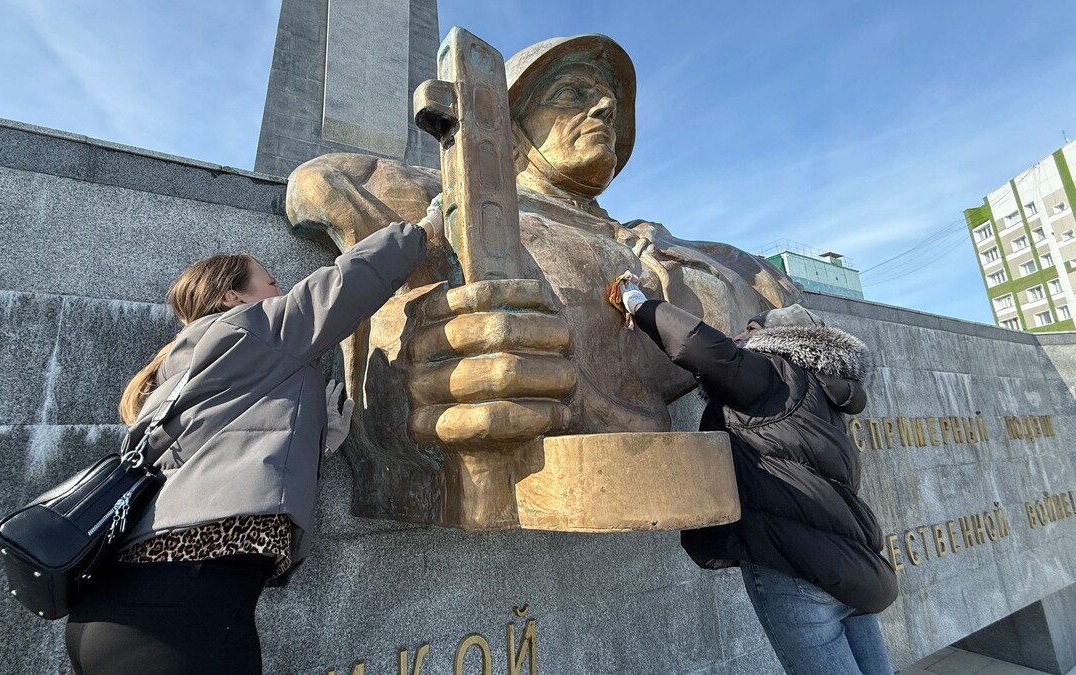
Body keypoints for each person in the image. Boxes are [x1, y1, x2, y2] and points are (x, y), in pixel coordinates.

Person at [284, 34, 801, 529]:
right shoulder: (447, 205)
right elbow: (319, 186)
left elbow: (771, 295)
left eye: (609, 105)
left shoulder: (683, 251)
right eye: (572, 94)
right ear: (509, 126)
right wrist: (411, 362)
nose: (602, 111)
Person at [64, 206, 442, 675]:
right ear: (230, 296)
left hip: (120, 612)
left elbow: (229, 455)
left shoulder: (181, 365)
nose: (281, 292)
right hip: (182, 614)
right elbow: (343, 284)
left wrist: (320, 440)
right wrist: (423, 230)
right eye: (272, 282)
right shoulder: (248, 329)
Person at [614, 279, 898, 675]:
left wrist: (639, 303)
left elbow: (703, 350)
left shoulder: (773, 374)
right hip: (852, 570)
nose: (739, 333)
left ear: (776, 338)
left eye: (749, 328)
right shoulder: (825, 399)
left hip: (795, 569)